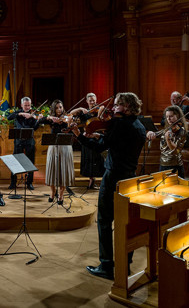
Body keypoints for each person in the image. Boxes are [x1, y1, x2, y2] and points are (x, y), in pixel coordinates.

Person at [72, 92, 146, 280]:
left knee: (104, 221)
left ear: (127, 107)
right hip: (130, 177)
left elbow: (99, 148)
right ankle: (125, 263)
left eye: (117, 105)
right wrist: (102, 135)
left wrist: (78, 135)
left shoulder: (119, 124)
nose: (113, 108)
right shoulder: (139, 125)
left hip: (113, 176)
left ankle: (106, 265)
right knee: (125, 221)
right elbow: (115, 143)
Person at [6, 97, 43, 190]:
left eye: (29, 105)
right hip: (18, 141)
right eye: (25, 105)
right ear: (22, 105)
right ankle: (13, 182)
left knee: (30, 162)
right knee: (14, 162)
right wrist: (21, 114)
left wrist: (38, 120)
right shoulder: (17, 113)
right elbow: (9, 117)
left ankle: (29, 183)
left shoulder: (33, 114)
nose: (27, 107)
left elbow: (35, 128)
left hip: (29, 141)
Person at [69, 93, 105, 189]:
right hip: (86, 138)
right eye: (90, 101)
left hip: (96, 137)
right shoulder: (84, 113)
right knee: (89, 159)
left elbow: (102, 109)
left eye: (94, 100)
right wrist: (80, 109)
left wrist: (100, 110)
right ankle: (91, 180)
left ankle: (99, 180)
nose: (92, 102)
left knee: (98, 159)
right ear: (87, 101)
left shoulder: (99, 110)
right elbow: (71, 113)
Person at [42, 100, 75, 204]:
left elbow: (72, 127)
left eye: (60, 107)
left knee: (63, 171)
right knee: (52, 169)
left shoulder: (67, 118)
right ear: (53, 109)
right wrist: (50, 117)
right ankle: (53, 192)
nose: (59, 110)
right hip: (54, 147)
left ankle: (61, 195)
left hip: (65, 147)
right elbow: (38, 121)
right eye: (57, 108)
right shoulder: (52, 120)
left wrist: (69, 122)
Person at [147, 105, 188, 178]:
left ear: (178, 116)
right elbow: (157, 133)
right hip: (163, 164)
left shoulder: (181, 131)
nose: (168, 119)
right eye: (167, 116)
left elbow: (175, 151)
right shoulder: (167, 129)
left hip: (175, 165)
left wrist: (168, 140)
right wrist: (150, 133)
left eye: (171, 116)